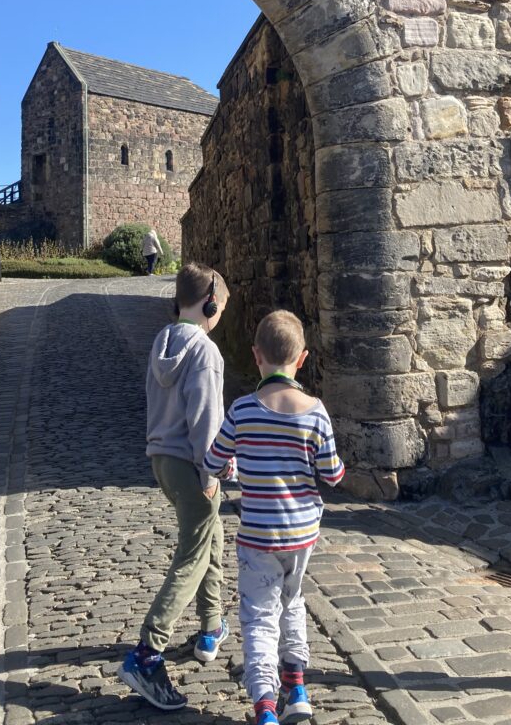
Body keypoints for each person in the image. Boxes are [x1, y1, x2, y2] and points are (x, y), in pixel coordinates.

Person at [204, 310, 345, 725]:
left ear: (256, 356)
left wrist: (234, 469)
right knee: (293, 602)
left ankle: (265, 704)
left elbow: (215, 459)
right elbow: (334, 475)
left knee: (259, 617)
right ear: (301, 359)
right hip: (302, 534)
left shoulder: (244, 410)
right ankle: (297, 687)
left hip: (259, 536)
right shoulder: (316, 411)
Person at [118, 262, 231, 710]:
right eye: (220, 307)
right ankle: (147, 653)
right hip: (192, 462)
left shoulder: (162, 341)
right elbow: (206, 418)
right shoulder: (205, 352)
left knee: (211, 539)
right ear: (209, 303)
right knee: (193, 554)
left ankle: (210, 626)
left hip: (161, 458)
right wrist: (213, 471)